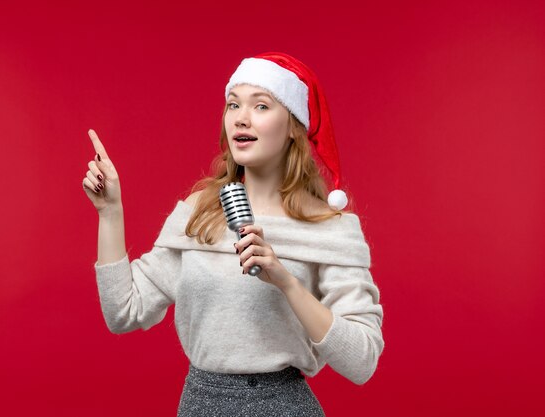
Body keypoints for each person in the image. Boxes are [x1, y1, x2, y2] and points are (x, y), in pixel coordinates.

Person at [82, 52, 384, 416]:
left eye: (261, 105)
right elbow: (123, 312)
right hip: (200, 404)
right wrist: (110, 213)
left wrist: (287, 283)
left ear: (293, 125)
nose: (241, 117)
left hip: (283, 406)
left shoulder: (329, 228)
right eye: (233, 104)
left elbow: (361, 361)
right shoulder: (199, 213)